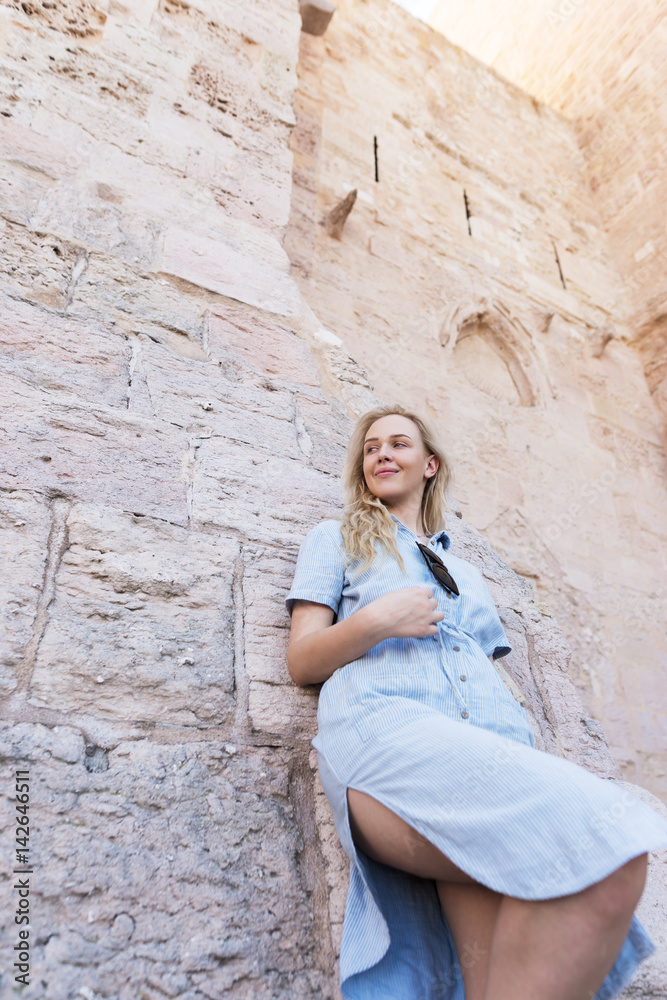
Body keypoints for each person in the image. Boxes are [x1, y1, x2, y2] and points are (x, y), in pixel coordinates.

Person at [285, 404, 667, 1000]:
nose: (382, 454)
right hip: (390, 729)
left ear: (430, 464)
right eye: (371, 447)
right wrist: (378, 620)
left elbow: (481, 669)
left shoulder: (466, 572)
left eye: (399, 443)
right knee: (609, 846)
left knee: (486, 980)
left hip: (488, 747)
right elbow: (303, 659)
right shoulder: (335, 538)